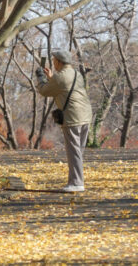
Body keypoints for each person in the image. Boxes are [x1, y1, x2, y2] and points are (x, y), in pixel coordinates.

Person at [36, 49, 92, 192]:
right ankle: (75, 181)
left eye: (54, 60)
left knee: (73, 151)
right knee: (78, 151)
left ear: (60, 62)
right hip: (85, 115)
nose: (53, 62)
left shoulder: (59, 77)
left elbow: (44, 91)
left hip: (72, 117)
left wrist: (41, 77)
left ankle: (77, 183)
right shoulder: (76, 74)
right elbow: (63, 87)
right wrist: (51, 78)